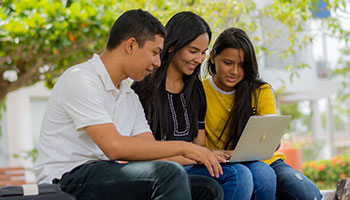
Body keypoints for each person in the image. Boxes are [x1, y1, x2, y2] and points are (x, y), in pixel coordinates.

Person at [33, 9, 226, 200]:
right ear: (131, 45)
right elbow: (114, 147)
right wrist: (186, 148)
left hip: (108, 173)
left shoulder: (129, 96)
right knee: (169, 175)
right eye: (155, 52)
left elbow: (150, 150)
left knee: (207, 189)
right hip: (66, 178)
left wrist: (202, 155)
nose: (158, 62)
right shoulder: (81, 78)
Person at [132, 11, 276, 200]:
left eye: (202, 53)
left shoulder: (195, 89)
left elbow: (199, 144)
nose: (199, 59)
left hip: (192, 166)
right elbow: (141, 152)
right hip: (159, 169)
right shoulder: (144, 88)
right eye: (193, 51)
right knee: (239, 175)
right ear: (171, 46)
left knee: (246, 173)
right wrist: (194, 155)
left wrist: (213, 155)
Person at [203, 27, 323, 200]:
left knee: (308, 194)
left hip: (267, 161)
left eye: (242, 65)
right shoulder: (199, 91)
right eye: (228, 63)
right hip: (224, 164)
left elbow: (272, 142)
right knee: (262, 177)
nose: (235, 71)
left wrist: (240, 151)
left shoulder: (260, 90)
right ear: (213, 57)